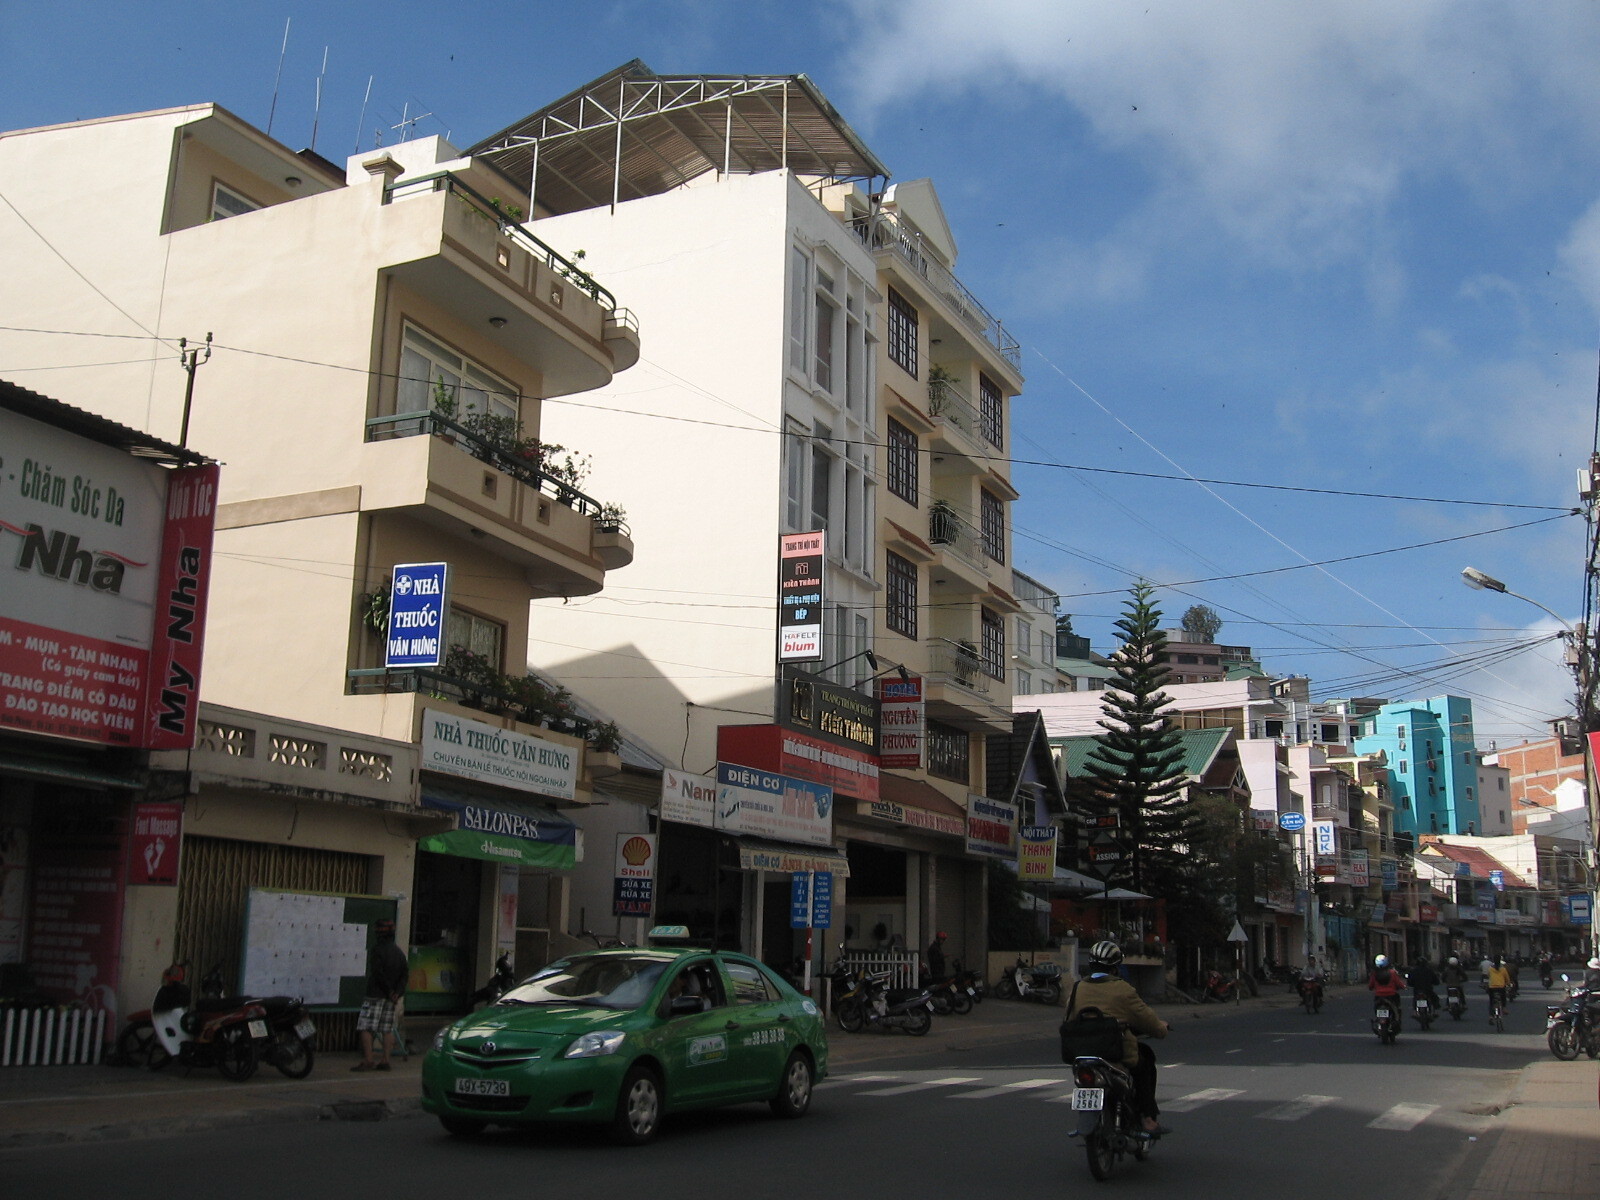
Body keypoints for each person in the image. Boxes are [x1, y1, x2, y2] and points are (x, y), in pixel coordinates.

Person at [1066, 940, 1170, 1135]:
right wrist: (1161, 1029)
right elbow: (1146, 1018)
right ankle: (1148, 1118)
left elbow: (1068, 1018)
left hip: (1081, 1053)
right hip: (1116, 1054)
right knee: (1144, 1061)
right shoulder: (1122, 990)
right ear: (1115, 967)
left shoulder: (1077, 988)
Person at [352, 918, 408, 1071]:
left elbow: (378, 973)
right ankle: (385, 1060)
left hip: (375, 994)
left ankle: (369, 1059)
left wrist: (389, 990)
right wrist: (396, 993)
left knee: (366, 1027)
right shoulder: (399, 953)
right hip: (391, 999)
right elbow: (404, 976)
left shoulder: (377, 950)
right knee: (387, 1028)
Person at [1485, 956, 1512, 1022]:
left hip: (1492, 987)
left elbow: (1488, 976)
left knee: (1491, 1002)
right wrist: (1508, 984)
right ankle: (1504, 1008)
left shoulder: (1490, 969)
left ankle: (1491, 1016)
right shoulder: (1503, 969)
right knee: (1503, 997)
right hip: (1501, 987)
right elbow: (1507, 979)